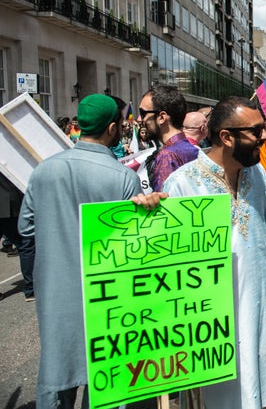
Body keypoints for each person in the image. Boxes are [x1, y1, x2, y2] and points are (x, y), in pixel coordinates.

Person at [162, 95, 266, 409]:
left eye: (264, 128)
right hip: (211, 323)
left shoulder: (254, 174)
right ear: (226, 137)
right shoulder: (182, 185)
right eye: (255, 131)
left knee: (256, 386)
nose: (264, 137)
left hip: (258, 302)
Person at [18, 94, 163, 409]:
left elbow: (26, 229)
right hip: (107, 295)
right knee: (106, 375)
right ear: (113, 128)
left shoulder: (43, 171)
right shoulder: (123, 177)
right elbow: (135, 246)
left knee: (56, 372)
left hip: (55, 290)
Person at [138, 85, 199, 191]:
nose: (140, 119)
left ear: (162, 117)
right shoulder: (193, 149)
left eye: (143, 114)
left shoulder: (167, 156)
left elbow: (164, 204)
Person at [0, 173, 34, 301]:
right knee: (26, 245)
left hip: (8, 202)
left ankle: (31, 288)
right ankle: (31, 289)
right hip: (8, 203)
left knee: (25, 245)